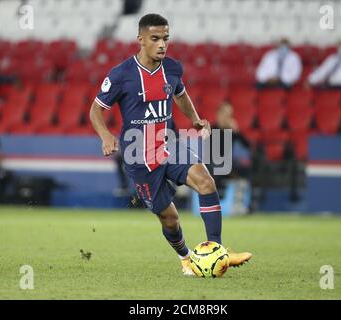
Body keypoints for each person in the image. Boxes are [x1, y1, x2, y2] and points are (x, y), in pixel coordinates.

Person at [89, 14, 252, 276]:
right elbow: (96, 110)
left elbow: (180, 94)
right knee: (170, 219)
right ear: (140, 40)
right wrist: (106, 135)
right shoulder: (121, 75)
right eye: (155, 39)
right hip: (138, 155)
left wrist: (195, 118)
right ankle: (186, 257)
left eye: (166, 38)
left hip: (169, 144)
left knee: (206, 182)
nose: (162, 44)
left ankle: (217, 252)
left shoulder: (173, 68)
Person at [210, 102, 251, 199]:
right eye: (224, 114)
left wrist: (237, 132)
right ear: (218, 115)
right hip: (213, 162)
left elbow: (248, 145)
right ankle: (217, 195)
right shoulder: (211, 129)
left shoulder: (232, 131)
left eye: (229, 115)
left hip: (229, 163)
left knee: (245, 168)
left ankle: (242, 201)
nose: (226, 117)